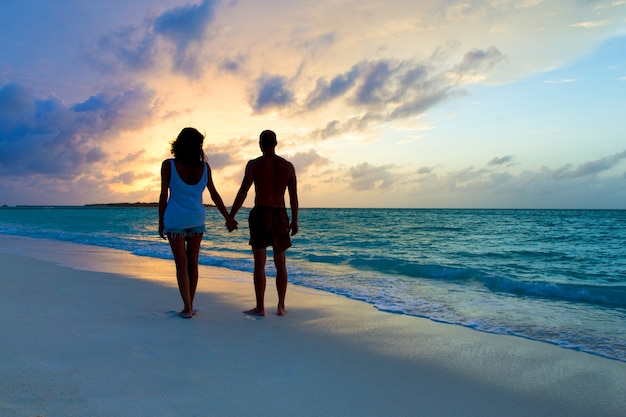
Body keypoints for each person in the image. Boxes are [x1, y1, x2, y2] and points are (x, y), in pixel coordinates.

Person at [159, 127, 237, 318]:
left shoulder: (168, 165)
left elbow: (163, 195)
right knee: (193, 263)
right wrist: (227, 217)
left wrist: (161, 221)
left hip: (175, 219)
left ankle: (186, 307)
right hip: (196, 218)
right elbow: (214, 194)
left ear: (179, 144)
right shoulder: (204, 168)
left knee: (182, 264)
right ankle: (190, 306)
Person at [229, 130, 298, 316]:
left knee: (259, 263)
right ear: (275, 144)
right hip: (281, 215)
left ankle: (260, 307)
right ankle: (281, 306)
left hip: (261, 213)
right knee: (280, 263)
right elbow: (293, 197)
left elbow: (243, 191)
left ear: (260, 144)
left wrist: (231, 216)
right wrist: (295, 220)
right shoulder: (288, 166)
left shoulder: (254, 165)